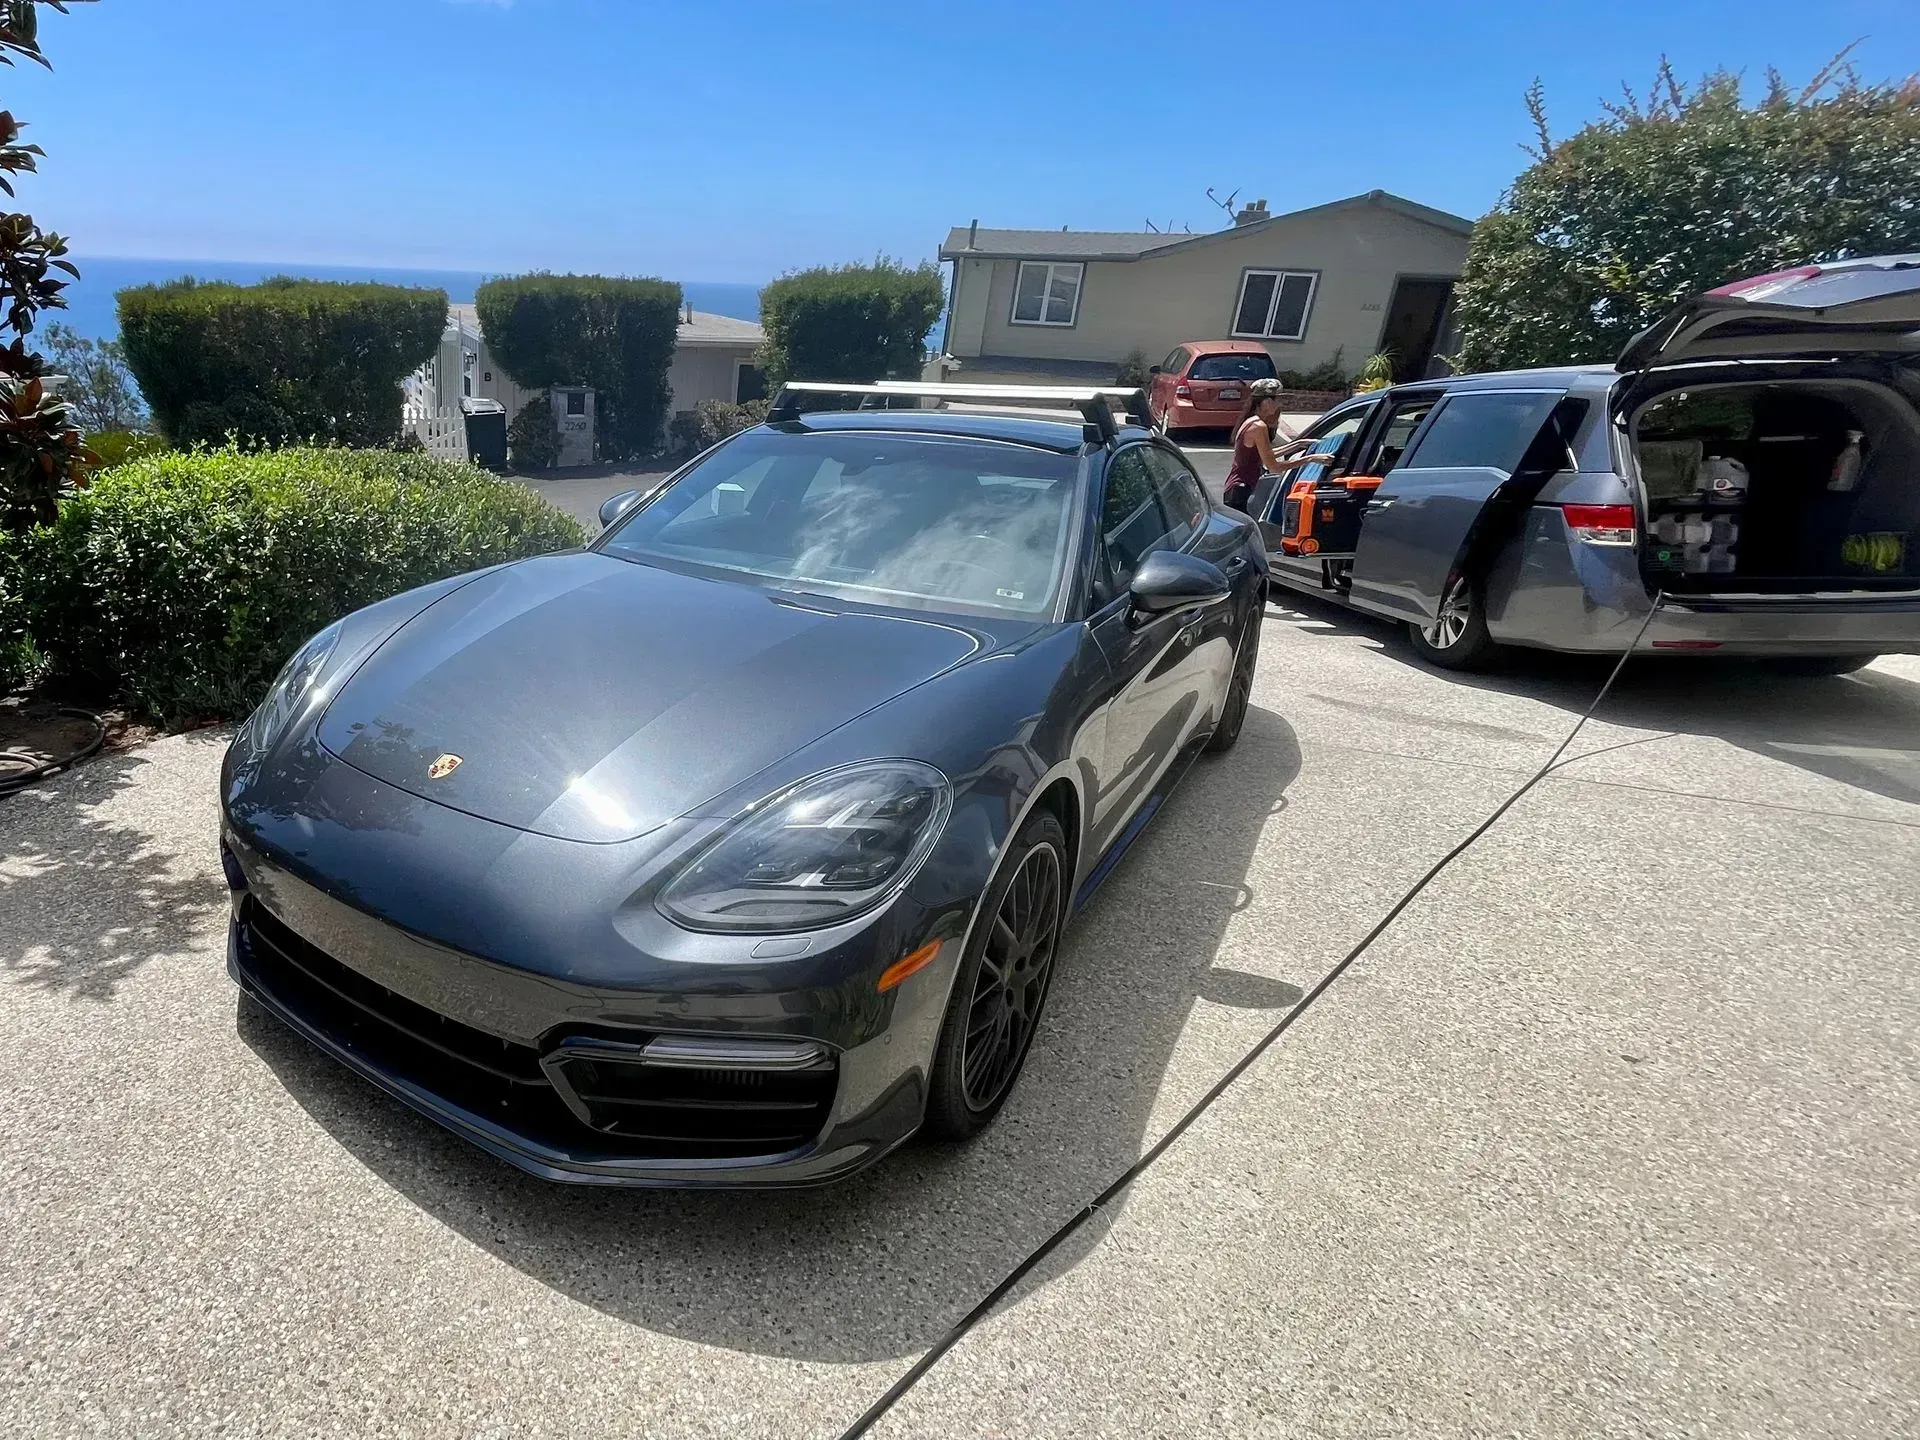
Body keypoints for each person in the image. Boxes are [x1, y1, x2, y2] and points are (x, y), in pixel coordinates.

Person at [1222, 378, 1297, 513]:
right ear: (1267, 402)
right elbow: (1273, 466)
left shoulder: (1252, 421)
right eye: (1277, 400)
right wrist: (1308, 460)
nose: (1279, 405)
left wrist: (1298, 444)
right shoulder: (1258, 426)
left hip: (1238, 489)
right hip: (1241, 492)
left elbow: (1264, 455)